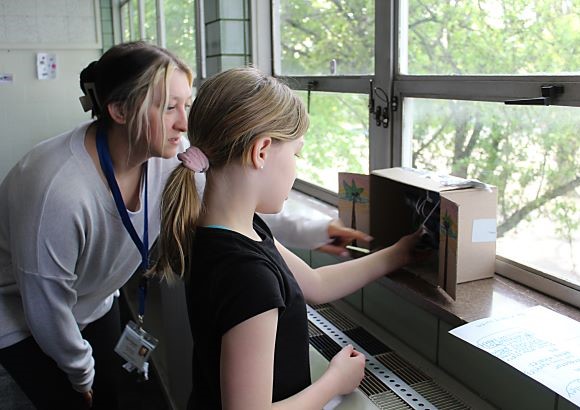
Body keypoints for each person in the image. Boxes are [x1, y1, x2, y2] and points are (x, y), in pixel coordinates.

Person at [0, 42, 368, 410]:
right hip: (22, 314)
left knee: (111, 395)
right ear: (119, 110)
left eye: (186, 105)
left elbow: (241, 197)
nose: (184, 122)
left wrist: (324, 231)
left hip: (94, 301)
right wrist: (81, 375)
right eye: (167, 107)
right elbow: (45, 307)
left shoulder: (167, 159)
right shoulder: (56, 190)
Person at [153, 67, 423, 409]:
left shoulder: (235, 230)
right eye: (296, 154)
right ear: (261, 151)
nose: (297, 168)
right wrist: (333, 382)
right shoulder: (248, 275)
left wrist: (396, 255)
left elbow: (316, 283)